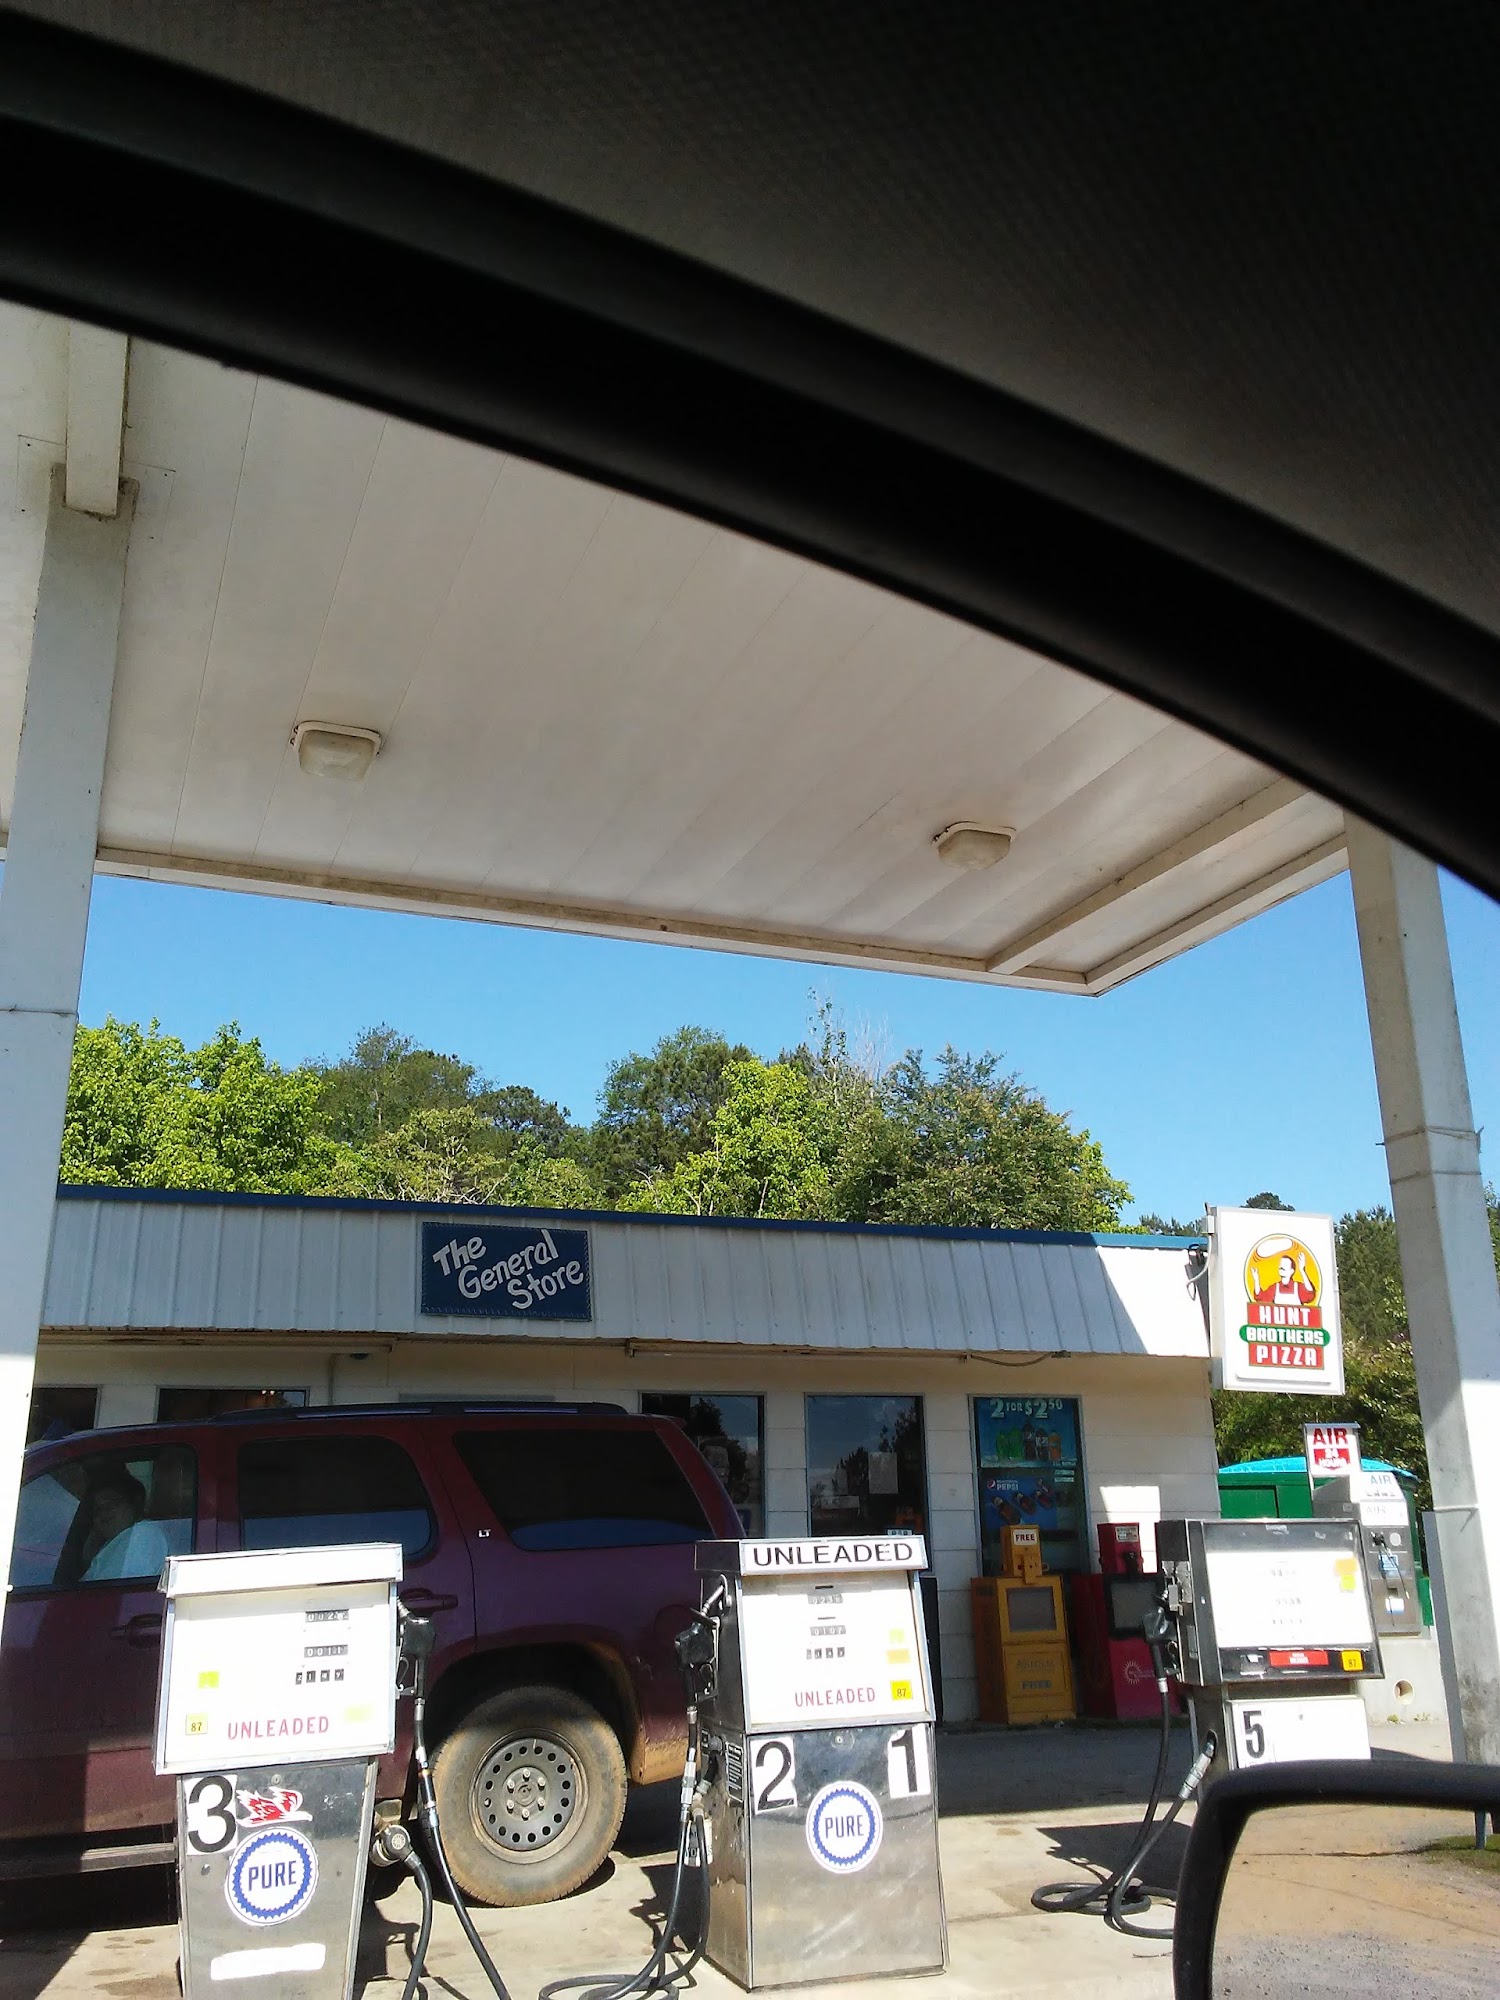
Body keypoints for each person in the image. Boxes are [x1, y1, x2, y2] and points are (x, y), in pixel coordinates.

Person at [78, 1469, 172, 1583]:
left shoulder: (143, 1535)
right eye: (97, 1509)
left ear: (133, 1503)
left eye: (110, 1504)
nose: (103, 1513)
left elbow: (121, 1590)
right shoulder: (113, 1543)